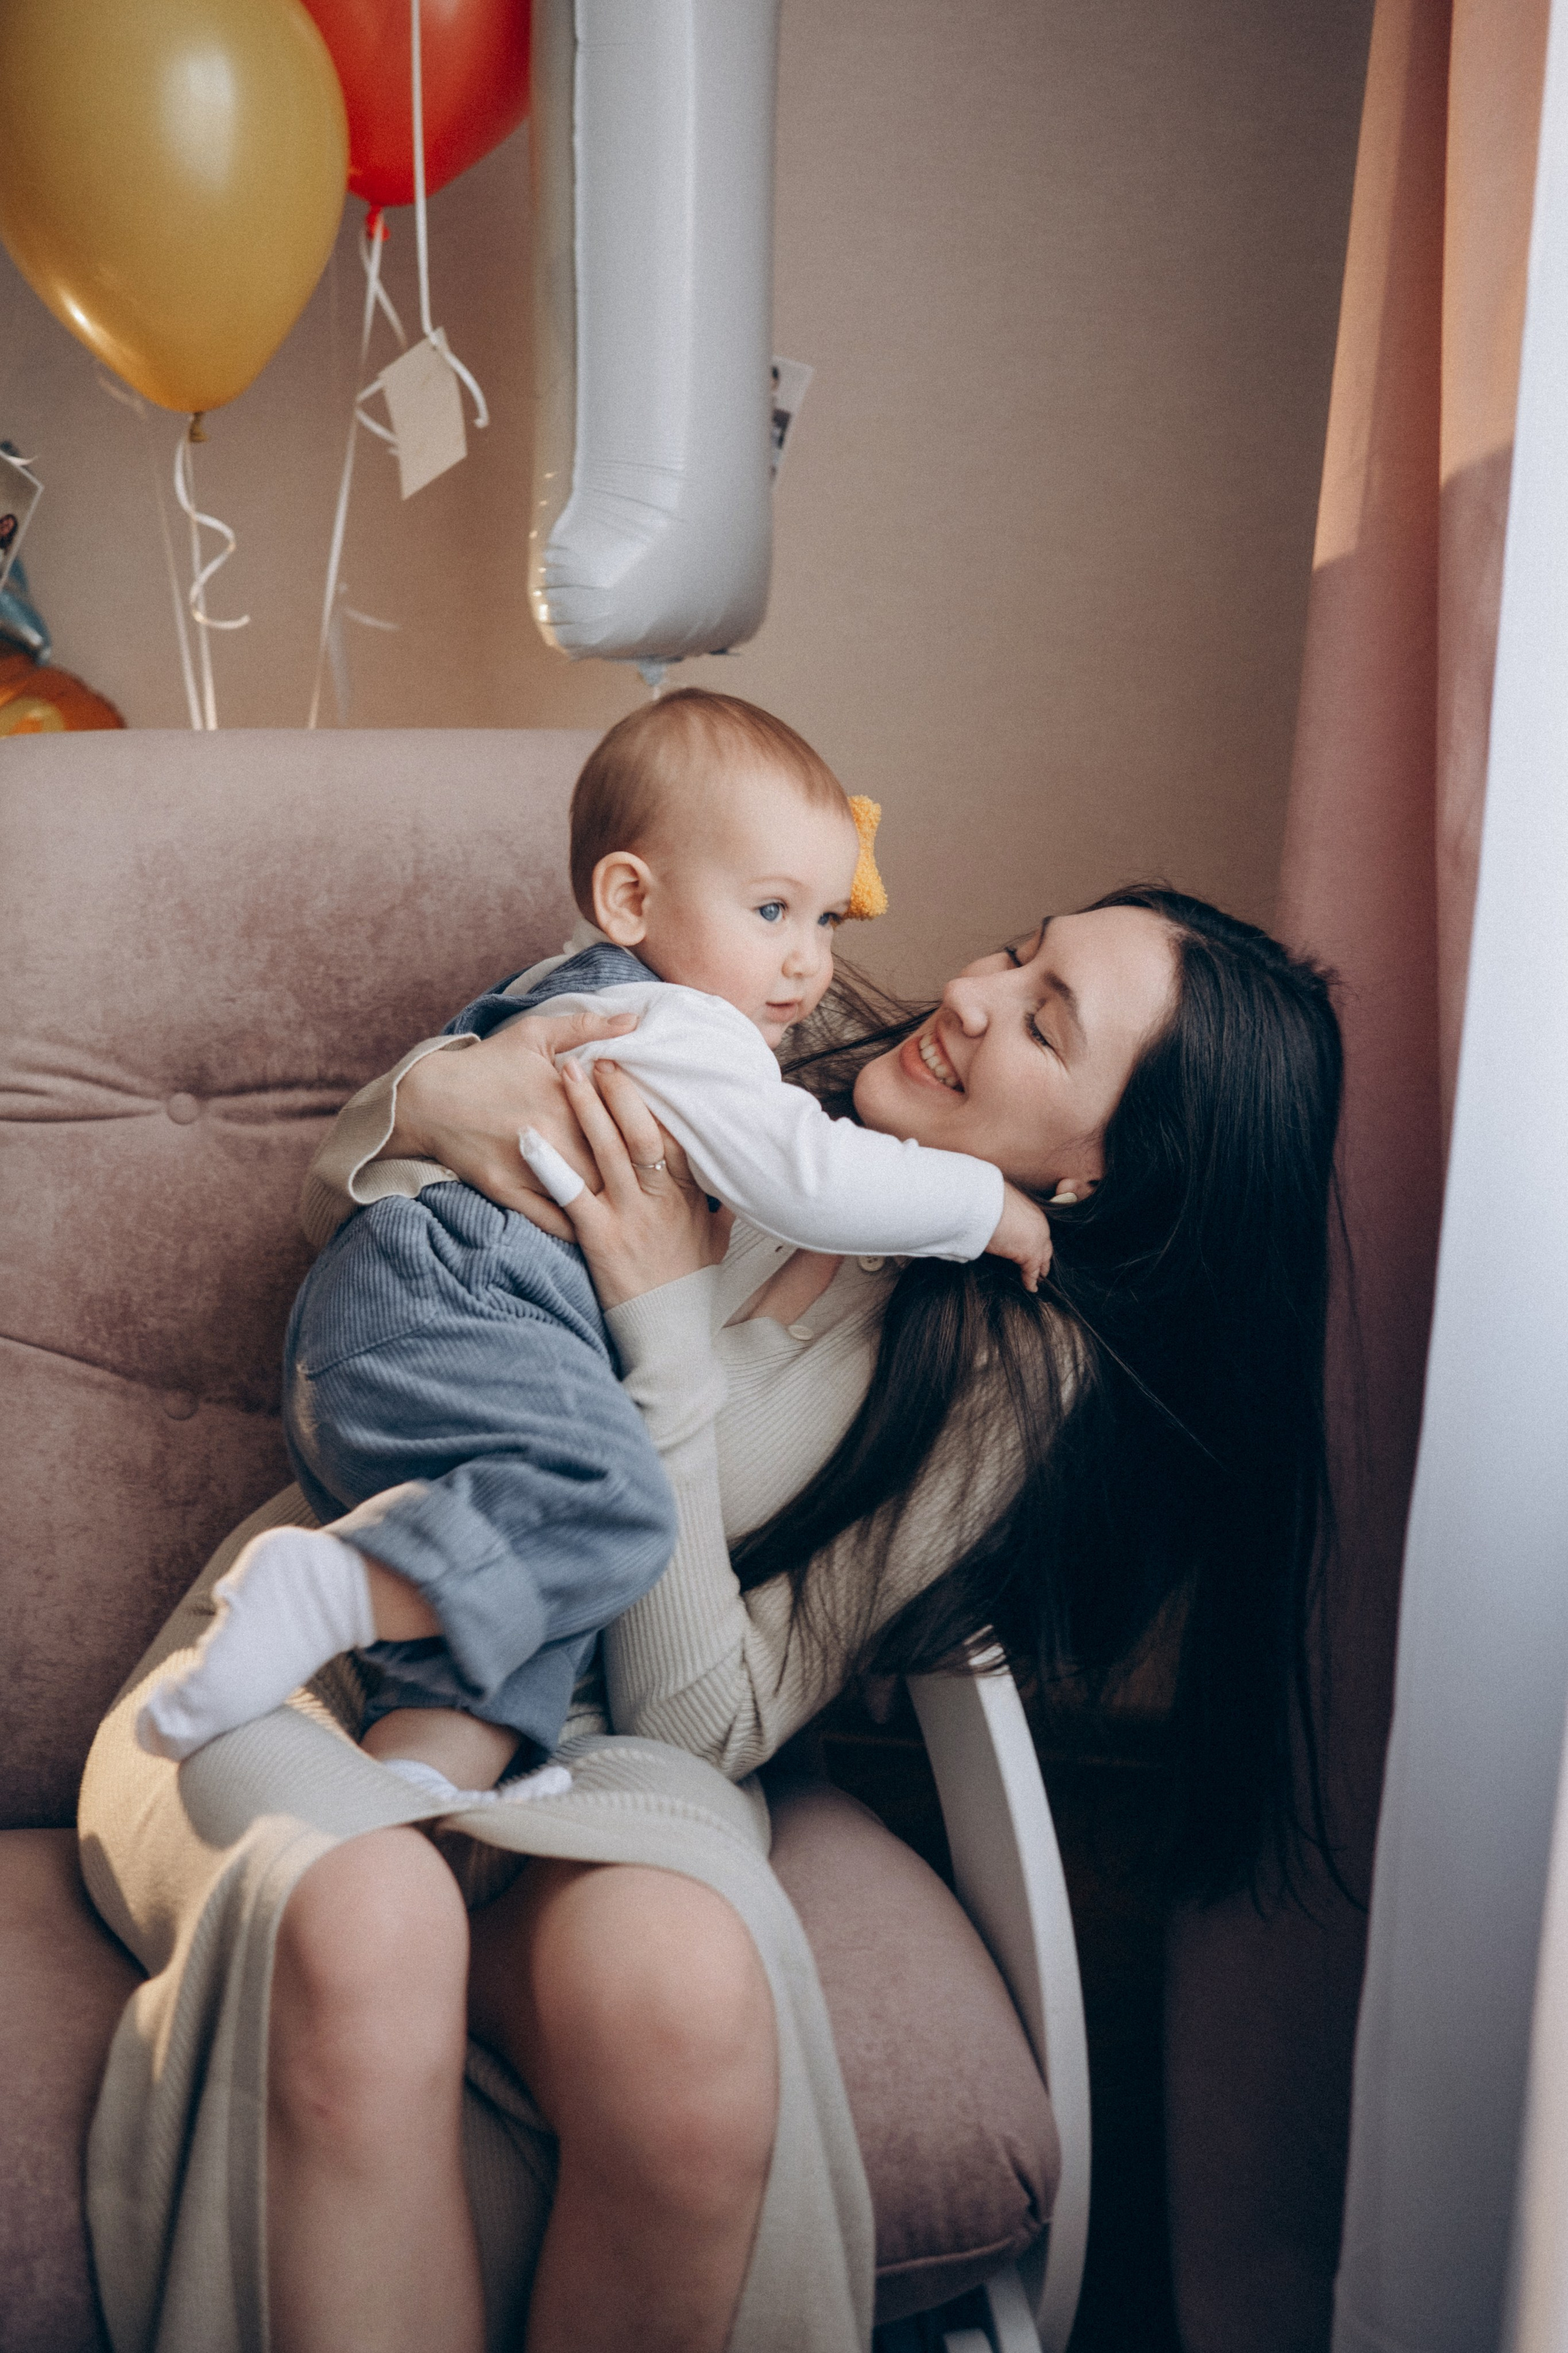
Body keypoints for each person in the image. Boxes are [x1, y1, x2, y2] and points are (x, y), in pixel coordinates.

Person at [80, 878, 1343, 2353]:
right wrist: (429, 1097)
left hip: (610, 1747)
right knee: (369, 1906)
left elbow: (704, 1715)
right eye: (1017, 949)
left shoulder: (1003, 1378)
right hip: (323, 1651)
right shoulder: (731, 1056)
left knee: (681, 1994)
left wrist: (663, 1324)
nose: (975, 993)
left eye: (1044, 1024)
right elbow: (372, 1258)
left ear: (1095, 1178)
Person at [133, 692, 1051, 1806]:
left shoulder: (1004, 1376)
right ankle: (322, 1592)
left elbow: (716, 1715)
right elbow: (807, 1178)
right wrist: (985, 1206)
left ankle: (415, 1791)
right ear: (630, 898)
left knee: (507, 1628)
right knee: (605, 1505)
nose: (811, 966)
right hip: (458, 1303)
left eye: (826, 922)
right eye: (774, 911)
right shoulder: (693, 1029)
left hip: (432, 1353)